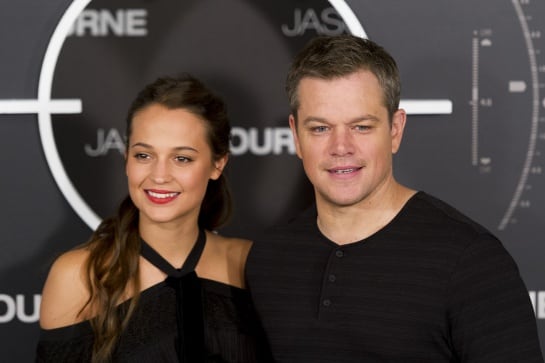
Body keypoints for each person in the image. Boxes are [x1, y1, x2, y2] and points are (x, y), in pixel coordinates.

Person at [246, 34, 544, 362]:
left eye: (361, 127)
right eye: (320, 128)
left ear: (395, 130)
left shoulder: (470, 262)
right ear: (296, 136)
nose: (340, 147)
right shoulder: (269, 259)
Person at [36, 75, 272, 362]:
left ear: (217, 164)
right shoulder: (79, 276)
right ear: (126, 158)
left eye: (181, 158)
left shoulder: (249, 265)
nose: (159, 176)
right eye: (144, 155)